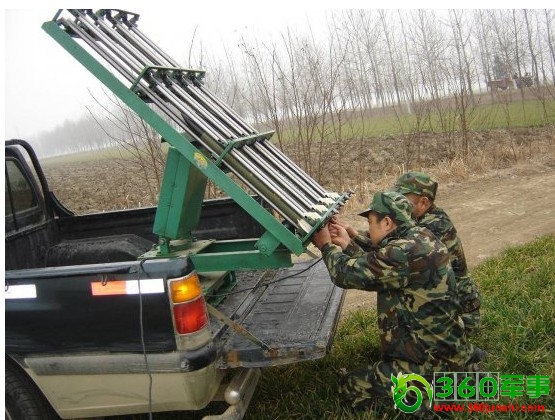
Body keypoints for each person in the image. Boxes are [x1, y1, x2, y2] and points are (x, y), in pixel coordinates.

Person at [312, 191, 471, 411]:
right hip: (447, 353)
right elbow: (380, 266)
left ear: (387, 222)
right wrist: (349, 243)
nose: (369, 230)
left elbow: (345, 274)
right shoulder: (422, 237)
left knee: (351, 386)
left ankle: (428, 401)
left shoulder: (402, 253)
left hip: (429, 366)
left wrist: (326, 246)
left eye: (370, 223)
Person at [393, 171, 482, 337]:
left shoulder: (434, 226)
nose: (397, 203)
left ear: (424, 202)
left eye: (403, 199)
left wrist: (352, 242)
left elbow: (391, 250)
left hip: (460, 317)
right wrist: (353, 235)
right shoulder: (421, 218)